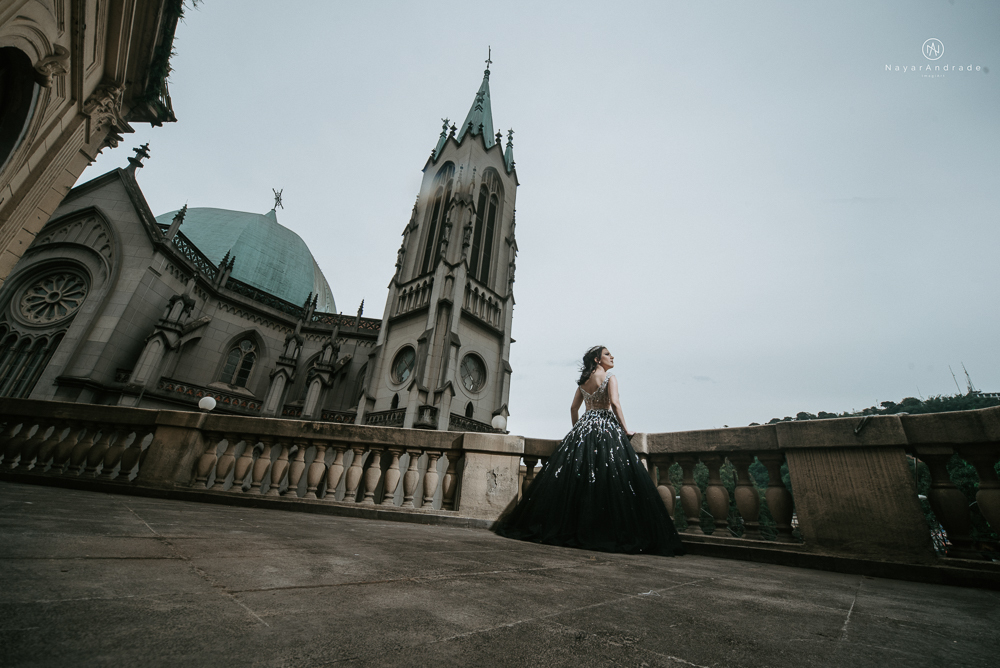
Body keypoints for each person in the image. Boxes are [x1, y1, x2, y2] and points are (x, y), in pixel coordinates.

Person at [496, 345, 685, 556]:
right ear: (597, 359)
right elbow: (614, 403)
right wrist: (625, 428)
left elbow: (573, 409)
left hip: (584, 428)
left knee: (580, 479)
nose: (612, 357)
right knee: (609, 478)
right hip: (605, 426)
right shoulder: (610, 377)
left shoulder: (583, 382)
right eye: (607, 354)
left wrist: (577, 430)